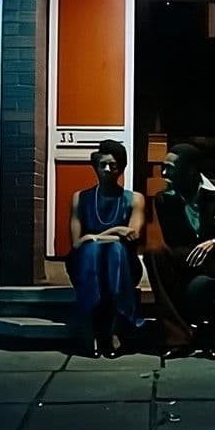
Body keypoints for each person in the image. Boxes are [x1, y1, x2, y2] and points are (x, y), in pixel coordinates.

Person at [145, 143, 215, 360]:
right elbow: (174, 244)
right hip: (186, 263)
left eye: (170, 168)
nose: (164, 173)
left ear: (190, 170)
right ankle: (178, 339)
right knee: (154, 252)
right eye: (163, 167)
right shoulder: (164, 198)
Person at [65, 139, 146, 358]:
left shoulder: (134, 199)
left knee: (115, 250)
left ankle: (114, 329)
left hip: (123, 267)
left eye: (114, 165)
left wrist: (93, 237)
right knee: (92, 251)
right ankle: (93, 329)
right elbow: (77, 243)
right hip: (85, 265)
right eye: (103, 165)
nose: (108, 170)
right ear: (95, 167)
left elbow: (133, 235)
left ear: (121, 168)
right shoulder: (80, 198)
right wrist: (115, 231)